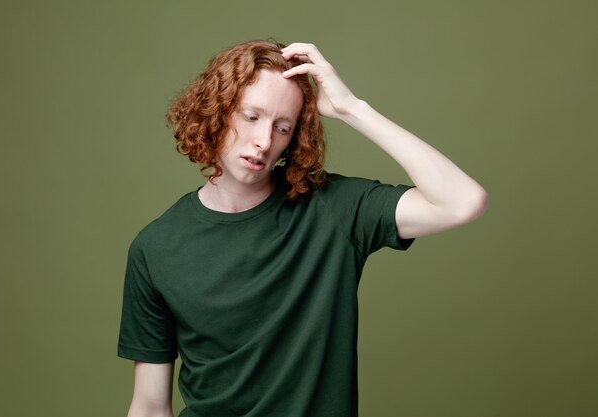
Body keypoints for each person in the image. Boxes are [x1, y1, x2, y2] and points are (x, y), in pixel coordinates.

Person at [117, 39, 488, 417]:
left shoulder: (334, 210)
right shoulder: (155, 247)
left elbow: (462, 201)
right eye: (251, 117)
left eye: (282, 127)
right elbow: (148, 406)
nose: (263, 141)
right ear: (217, 111)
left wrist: (351, 109)